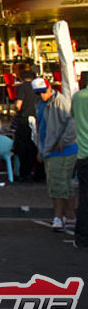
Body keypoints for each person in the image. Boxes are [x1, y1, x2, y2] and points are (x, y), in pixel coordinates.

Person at [32, 78, 77, 232]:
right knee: (62, 184)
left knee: (58, 184)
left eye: (44, 91)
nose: (42, 95)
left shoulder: (60, 101)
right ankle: (69, 216)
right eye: (39, 93)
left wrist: (63, 140)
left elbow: (72, 122)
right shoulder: (40, 104)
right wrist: (41, 149)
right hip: (51, 148)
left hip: (61, 148)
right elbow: (40, 129)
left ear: (49, 88)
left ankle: (59, 216)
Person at [12, 69, 41, 182]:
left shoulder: (22, 87)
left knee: (24, 148)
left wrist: (15, 110)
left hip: (25, 120)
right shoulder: (38, 87)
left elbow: (18, 105)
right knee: (37, 146)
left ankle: (25, 173)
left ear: (21, 78)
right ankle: (39, 172)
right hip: (38, 118)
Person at [71, 84, 88, 250]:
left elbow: (72, 116)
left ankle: (82, 238)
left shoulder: (77, 97)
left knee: (84, 199)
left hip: (83, 154)